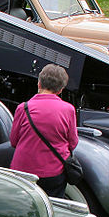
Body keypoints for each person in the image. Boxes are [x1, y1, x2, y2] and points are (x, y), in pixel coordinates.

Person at [10, 64, 79, 198]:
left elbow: (14, 141)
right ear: (60, 90)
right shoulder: (68, 109)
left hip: (23, 171)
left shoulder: (23, 108)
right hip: (54, 172)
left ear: (39, 83)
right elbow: (73, 143)